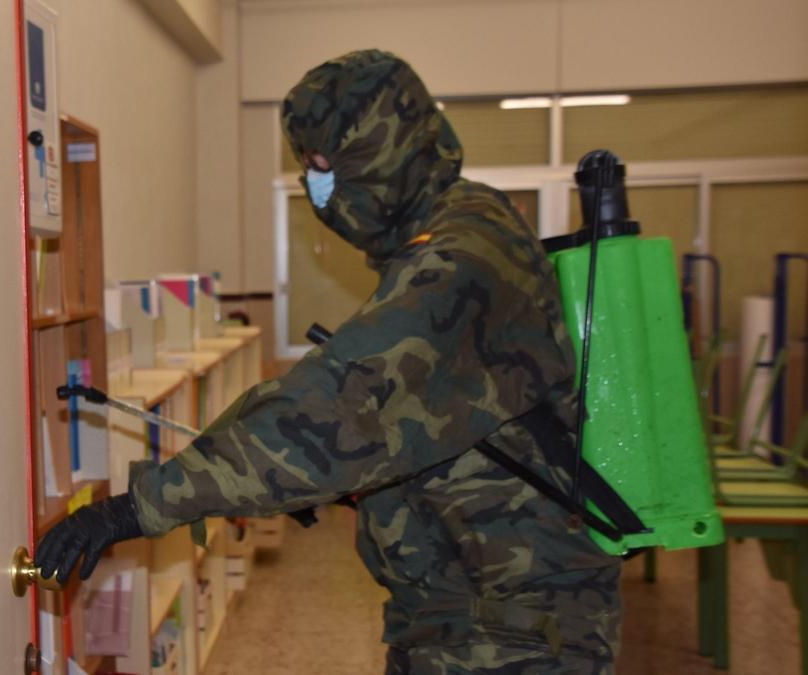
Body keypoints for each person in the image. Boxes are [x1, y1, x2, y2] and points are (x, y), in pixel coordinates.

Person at [37, 50, 621, 674]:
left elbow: (341, 405)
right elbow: (439, 420)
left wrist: (136, 508)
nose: (314, 185)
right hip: (475, 612)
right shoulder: (461, 224)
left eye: (322, 165)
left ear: (375, 155)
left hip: (509, 631)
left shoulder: (460, 258)